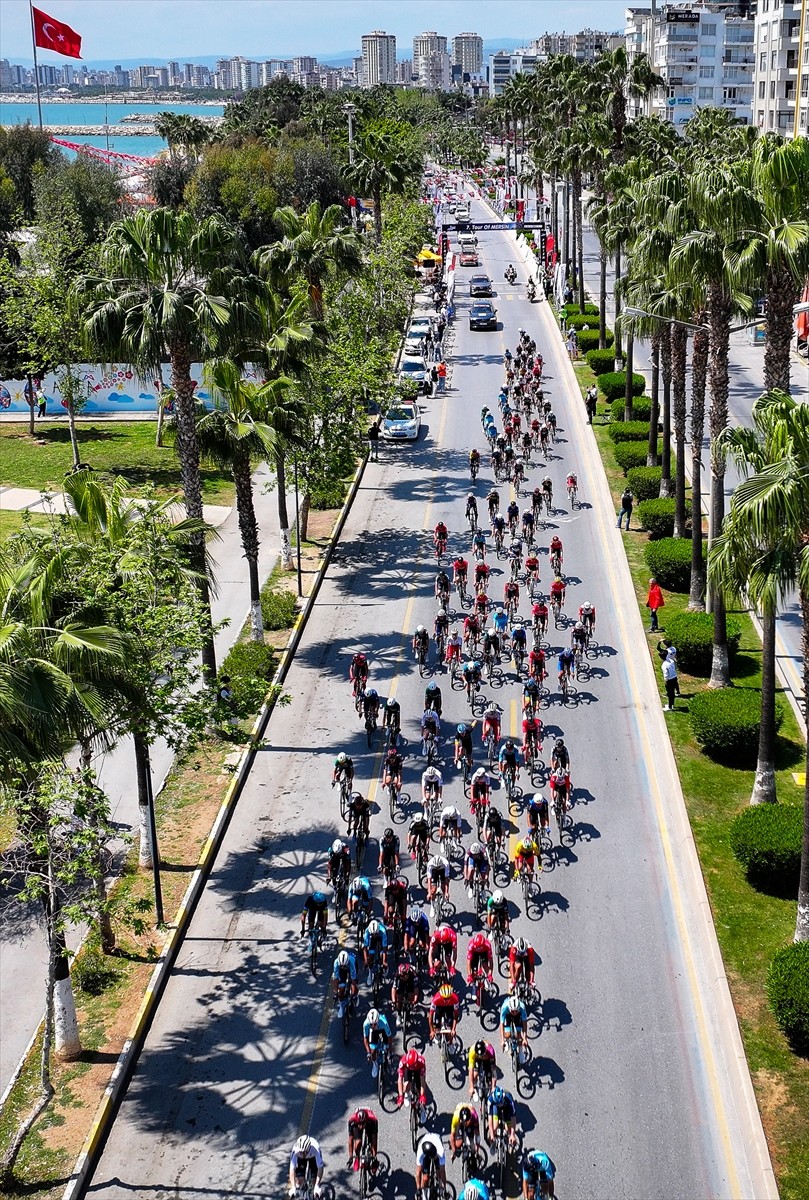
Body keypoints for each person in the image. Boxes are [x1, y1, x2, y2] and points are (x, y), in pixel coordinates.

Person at [415, 1132, 447, 1199]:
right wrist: (418, 1189)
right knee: (425, 1178)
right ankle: (424, 1194)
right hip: (426, 1154)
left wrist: (444, 1188)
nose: (434, 1157)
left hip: (436, 1142)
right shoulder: (420, 1152)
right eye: (433, 1156)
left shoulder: (440, 1151)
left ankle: (439, 1185)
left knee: (439, 1174)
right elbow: (418, 1173)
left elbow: (443, 1172)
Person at [347, 1107, 378, 1173]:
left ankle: (374, 1160)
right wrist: (351, 1157)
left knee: (373, 1143)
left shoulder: (373, 1120)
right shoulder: (352, 1121)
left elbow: (375, 1141)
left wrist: (374, 1156)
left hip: (370, 1123)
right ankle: (357, 1157)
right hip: (357, 1122)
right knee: (358, 1142)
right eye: (359, 1124)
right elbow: (350, 1140)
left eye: (362, 1124)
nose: (361, 1127)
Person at [363, 1007, 392, 1078]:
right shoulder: (366, 1024)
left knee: (386, 1045)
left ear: (378, 1021)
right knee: (373, 1052)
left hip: (382, 1031)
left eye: (375, 1024)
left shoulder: (384, 1023)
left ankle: (385, 1052)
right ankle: (375, 1064)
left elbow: (389, 1036)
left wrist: (390, 1049)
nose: (373, 1026)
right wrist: (368, 1053)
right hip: (373, 1033)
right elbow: (365, 1038)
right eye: (371, 1024)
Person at [488, 1085, 519, 1150]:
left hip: (506, 1107)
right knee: (495, 1126)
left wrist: (512, 1134)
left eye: (501, 1103)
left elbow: (513, 1118)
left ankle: (510, 1140)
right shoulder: (490, 1100)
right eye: (498, 1103)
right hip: (495, 1107)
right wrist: (492, 1133)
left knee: (508, 1129)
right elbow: (490, 1119)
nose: (500, 1105)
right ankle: (493, 1140)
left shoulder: (509, 1099)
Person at [500, 994, 529, 1062]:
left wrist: (525, 1038)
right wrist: (502, 1040)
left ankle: (521, 1051)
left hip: (519, 1015)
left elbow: (524, 1024)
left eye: (516, 1011)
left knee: (518, 1035)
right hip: (507, 1015)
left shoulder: (522, 1007)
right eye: (513, 1011)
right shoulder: (504, 1007)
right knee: (507, 1034)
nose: (514, 1013)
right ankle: (507, 1041)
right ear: (510, 1008)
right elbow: (501, 1025)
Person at [662, 645, 678, 711]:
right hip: (674, 677)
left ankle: (670, 707)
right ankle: (671, 705)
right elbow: (675, 667)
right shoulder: (671, 660)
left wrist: (666, 680)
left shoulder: (664, 665)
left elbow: (666, 674)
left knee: (670, 693)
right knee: (672, 693)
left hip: (670, 680)